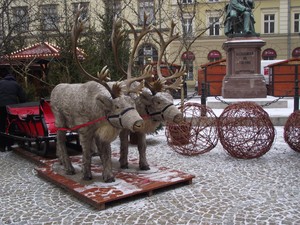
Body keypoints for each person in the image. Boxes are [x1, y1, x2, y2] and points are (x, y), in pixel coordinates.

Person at [0, 68, 26, 152]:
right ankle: (10, 145)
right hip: (12, 108)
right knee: (11, 126)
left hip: (1, 107)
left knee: (1, 126)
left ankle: (2, 146)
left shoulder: (0, 83)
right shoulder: (16, 84)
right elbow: (22, 97)